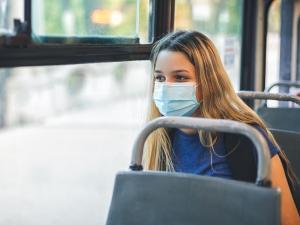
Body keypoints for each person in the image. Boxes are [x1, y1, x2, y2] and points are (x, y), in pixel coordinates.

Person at [143, 30, 299, 225]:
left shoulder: (247, 138)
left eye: (181, 78)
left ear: (208, 82)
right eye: (160, 78)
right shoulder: (158, 135)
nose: (166, 87)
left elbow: (289, 221)